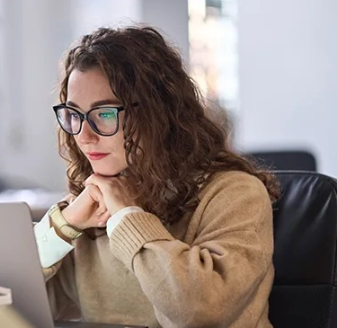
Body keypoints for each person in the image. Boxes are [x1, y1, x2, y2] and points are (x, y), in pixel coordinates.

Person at [33, 25, 279, 328]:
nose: (83, 136)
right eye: (74, 114)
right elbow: (6, 304)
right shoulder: (90, 206)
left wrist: (127, 216)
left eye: (105, 114)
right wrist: (63, 227)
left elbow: (196, 310)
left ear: (157, 113)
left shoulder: (236, 195)